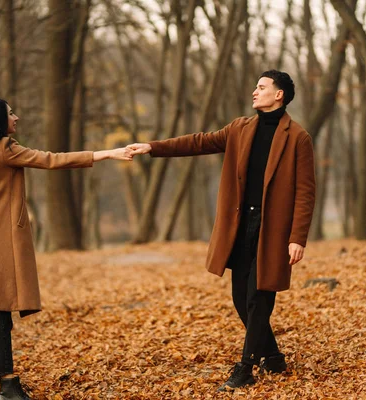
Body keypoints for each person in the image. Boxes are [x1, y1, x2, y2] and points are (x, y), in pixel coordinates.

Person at [128, 70, 316, 391]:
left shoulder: (297, 137)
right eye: (255, 86)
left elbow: (305, 191)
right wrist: (152, 146)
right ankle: (272, 355)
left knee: (259, 296)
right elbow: (199, 142)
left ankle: (245, 367)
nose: (254, 92)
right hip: (241, 226)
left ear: (279, 94)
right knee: (240, 298)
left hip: (272, 231)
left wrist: (297, 238)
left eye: (261, 87)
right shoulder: (240, 128)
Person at [0, 98, 132, 400]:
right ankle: (8, 385)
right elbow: (52, 159)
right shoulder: (4, 148)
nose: (16, 117)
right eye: (10, 114)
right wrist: (108, 153)